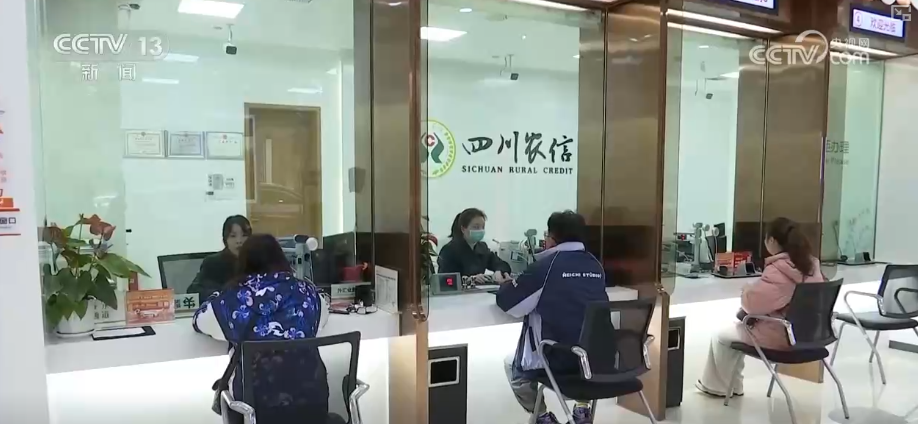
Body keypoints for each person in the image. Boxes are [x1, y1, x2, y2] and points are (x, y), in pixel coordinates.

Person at [193, 234, 330, 423]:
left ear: (243, 263)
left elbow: (200, 321)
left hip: (255, 411)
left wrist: (216, 295)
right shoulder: (308, 292)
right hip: (312, 407)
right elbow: (322, 318)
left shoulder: (232, 299)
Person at [495, 211, 608, 424]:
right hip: (596, 360)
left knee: (513, 364)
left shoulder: (546, 266)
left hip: (559, 360)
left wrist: (505, 285)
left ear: (552, 237)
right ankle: (582, 409)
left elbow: (513, 306)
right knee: (582, 343)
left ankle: (542, 416)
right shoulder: (595, 264)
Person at [696, 217, 825, 397]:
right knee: (738, 330)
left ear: (772, 240)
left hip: (781, 337)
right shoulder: (812, 266)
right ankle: (734, 385)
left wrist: (747, 290)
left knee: (721, 334)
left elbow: (752, 306)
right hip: (810, 335)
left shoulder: (779, 270)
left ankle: (719, 387)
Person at [437, 208, 511, 282]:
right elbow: (444, 279)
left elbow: (501, 264)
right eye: (476, 227)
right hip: (460, 289)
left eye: (483, 227)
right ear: (463, 229)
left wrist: (499, 271)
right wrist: (469, 279)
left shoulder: (482, 248)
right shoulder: (449, 250)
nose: (480, 230)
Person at [187, 215, 252, 299]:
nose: (239, 241)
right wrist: (223, 293)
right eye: (233, 236)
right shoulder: (213, 263)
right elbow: (194, 290)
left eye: (244, 235)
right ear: (225, 239)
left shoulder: (258, 262)